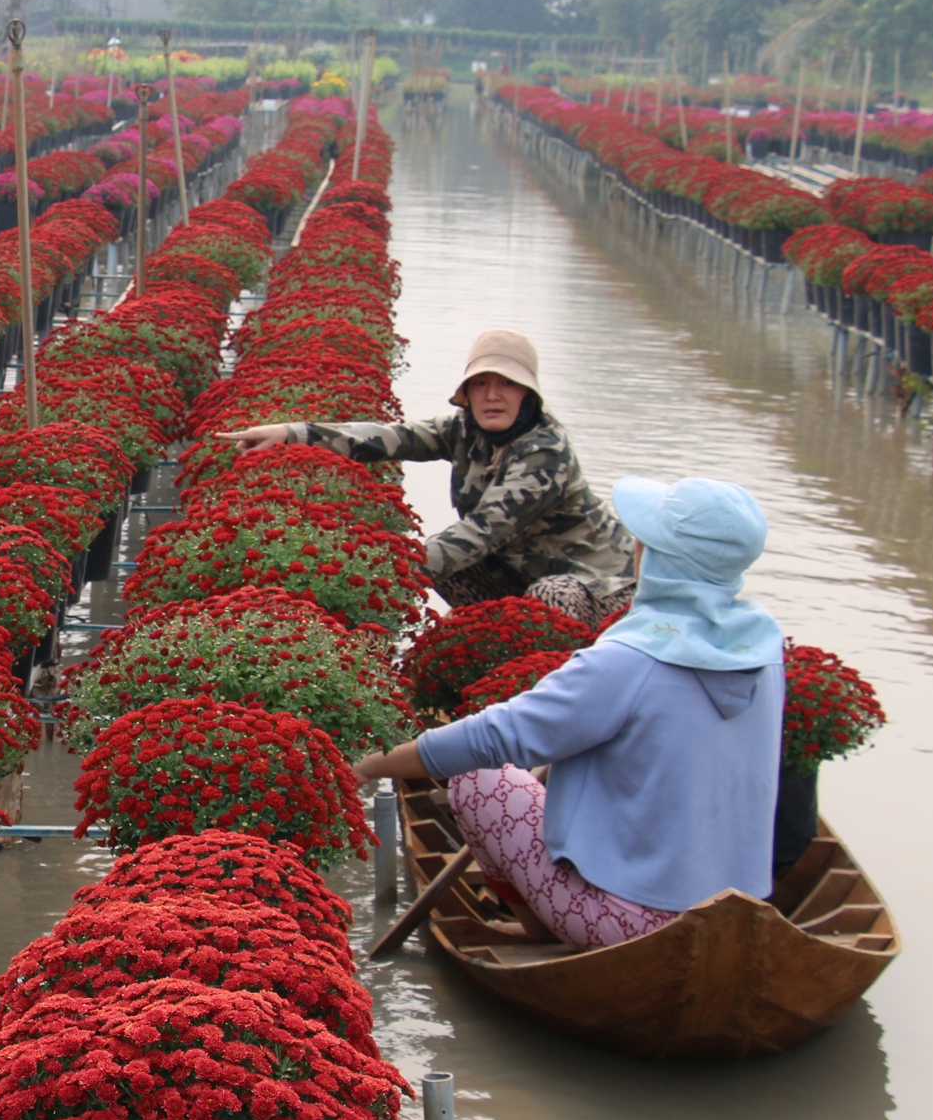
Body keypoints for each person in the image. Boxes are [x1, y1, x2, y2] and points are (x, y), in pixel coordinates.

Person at [354, 476, 785, 949]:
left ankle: (543, 930)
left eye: (645, 541)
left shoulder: (627, 659)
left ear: (658, 560)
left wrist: (373, 765)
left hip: (628, 925)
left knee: (481, 782)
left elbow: (493, 739)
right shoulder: (763, 649)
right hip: (738, 915)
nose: (635, 546)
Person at [218, 328, 634, 623]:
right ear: (467, 392)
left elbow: (482, 532)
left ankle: (554, 699)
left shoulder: (545, 452)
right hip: (523, 576)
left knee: (543, 593)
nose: (492, 395)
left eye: (507, 383)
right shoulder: (464, 430)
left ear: (528, 394)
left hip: (599, 588)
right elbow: (387, 438)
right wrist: (292, 434)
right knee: (456, 568)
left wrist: (385, 572)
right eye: (481, 383)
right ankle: (491, 658)